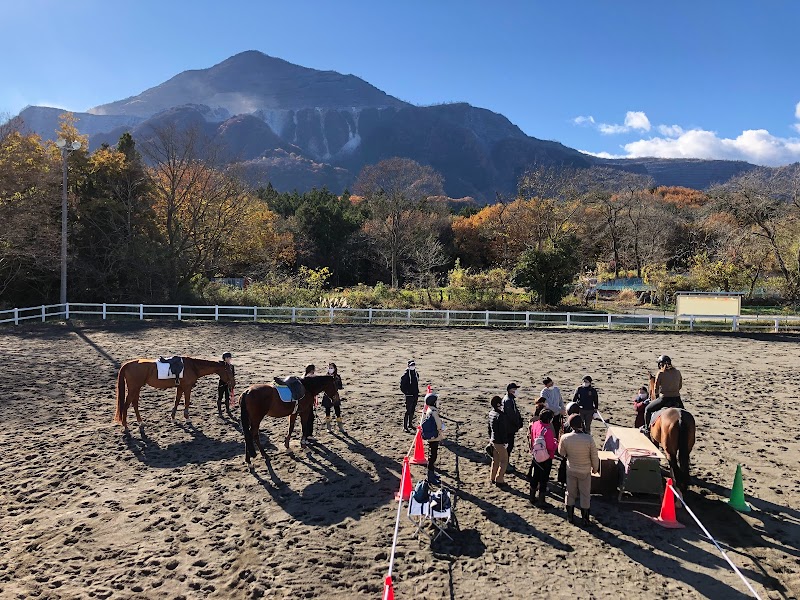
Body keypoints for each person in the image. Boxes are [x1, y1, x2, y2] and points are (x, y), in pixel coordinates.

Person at [558, 414, 599, 525]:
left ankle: (570, 517)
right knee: (585, 494)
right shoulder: (588, 439)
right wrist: (595, 468)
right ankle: (585, 519)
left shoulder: (565, 438)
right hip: (585, 470)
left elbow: (561, 453)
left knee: (570, 493)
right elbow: (594, 456)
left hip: (571, 468)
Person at [643, 355, 683, 435]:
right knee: (684, 413)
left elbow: (655, 389)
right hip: (677, 398)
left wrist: (657, 397)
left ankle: (647, 429)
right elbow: (680, 386)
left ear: (660, 365)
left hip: (664, 399)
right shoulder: (678, 372)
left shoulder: (660, 373)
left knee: (647, 410)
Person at [529, 409, 558, 507]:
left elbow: (532, 437)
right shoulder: (548, 430)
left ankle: (532, 496)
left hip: (536, 454)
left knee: (535, 476)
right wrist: (556, 443)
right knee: (543, 479)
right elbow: (550, 446)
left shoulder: (535, 424)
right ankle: (541, 500)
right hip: (546, 457)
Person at [421, 392, 445, 484]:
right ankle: (430, 476)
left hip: (432, 436)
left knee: (432, 455)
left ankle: (432, 473)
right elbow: (438, 424)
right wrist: (441, 427)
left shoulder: (429, 410)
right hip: (435, 436)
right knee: (433, 456)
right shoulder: (434, 412)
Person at [502, 383, 524, 472]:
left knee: (509, 446)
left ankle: (506, 463)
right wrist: (517, 423)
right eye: (515, 389)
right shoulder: (508, 400)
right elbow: (511, 415)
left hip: (510, 427)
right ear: (510, 390)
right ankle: (505, 464)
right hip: (509, 428)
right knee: (508, 447)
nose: (516, 391)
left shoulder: (510, 399)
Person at [488, 395, 510, 487]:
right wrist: (505, 442)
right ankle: (499, 479)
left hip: (493, 440)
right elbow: (503, 431)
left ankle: (492, 477)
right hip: (500, 442)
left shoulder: (491, 413)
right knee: (504, 460)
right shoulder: (501, 416)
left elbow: (489, 428)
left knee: (495, 460)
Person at [322, 362, 344, 431]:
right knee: (327, 411)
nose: (330, 369)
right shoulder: (325, 377)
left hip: (335, 395)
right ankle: (328, 427)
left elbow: (340, 386)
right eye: (329, 368)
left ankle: (340, 426)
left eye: (331, 368)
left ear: (335, 369)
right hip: (327, 395)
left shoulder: (337, 377)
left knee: (337, 410)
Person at [400, 359, 420, 432]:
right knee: (408, 410)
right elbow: (402, 386)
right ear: (408, 366)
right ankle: (405, 426)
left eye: (413, 365)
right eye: (411, 365)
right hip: (409, 396)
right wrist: (407, 393)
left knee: (412, 410)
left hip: (415, 394)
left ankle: (410, 424)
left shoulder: (415, 373)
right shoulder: (405, 375)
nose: (412, 366)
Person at [216, 352, 235, 417]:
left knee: (227, 397)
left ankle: (227, 409)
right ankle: (220, 411)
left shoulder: (231, 366)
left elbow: (232, 376)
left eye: (229, 357)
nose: (228, 359)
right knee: (220, 397)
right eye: (227, 357)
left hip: (228, 384)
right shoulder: (221, 366)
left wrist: (232, 383)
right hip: (222, 383)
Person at [303, 364, 317, 441]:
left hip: (304, 401)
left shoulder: (304, 377)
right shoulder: (310, 378)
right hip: (307, 402)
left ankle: (306, 435)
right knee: (310, 417)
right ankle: (308, 434)